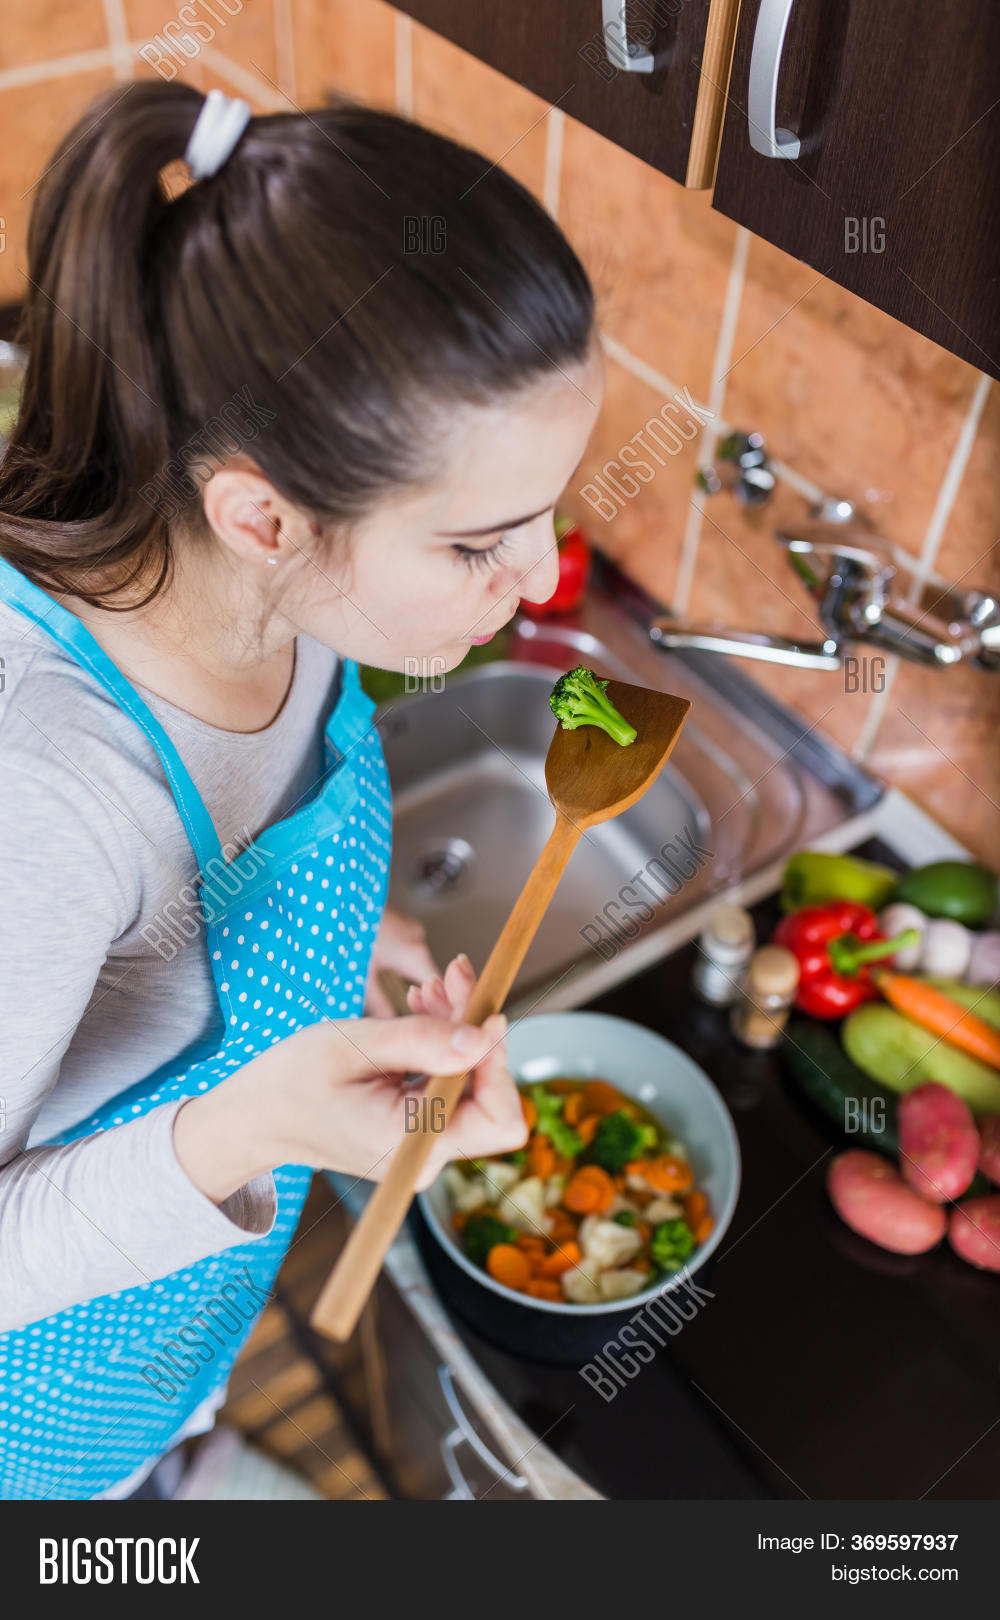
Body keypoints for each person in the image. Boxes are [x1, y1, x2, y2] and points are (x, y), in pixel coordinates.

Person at [0, 81, 603, 1499]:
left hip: (171, 1356)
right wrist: (259, 1120)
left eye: (547, 512)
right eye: (480, 543)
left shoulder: (281, 606)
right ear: (262, 514)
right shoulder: (48, 789)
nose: (539, 579)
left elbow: (194, 926)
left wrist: (333, 954)